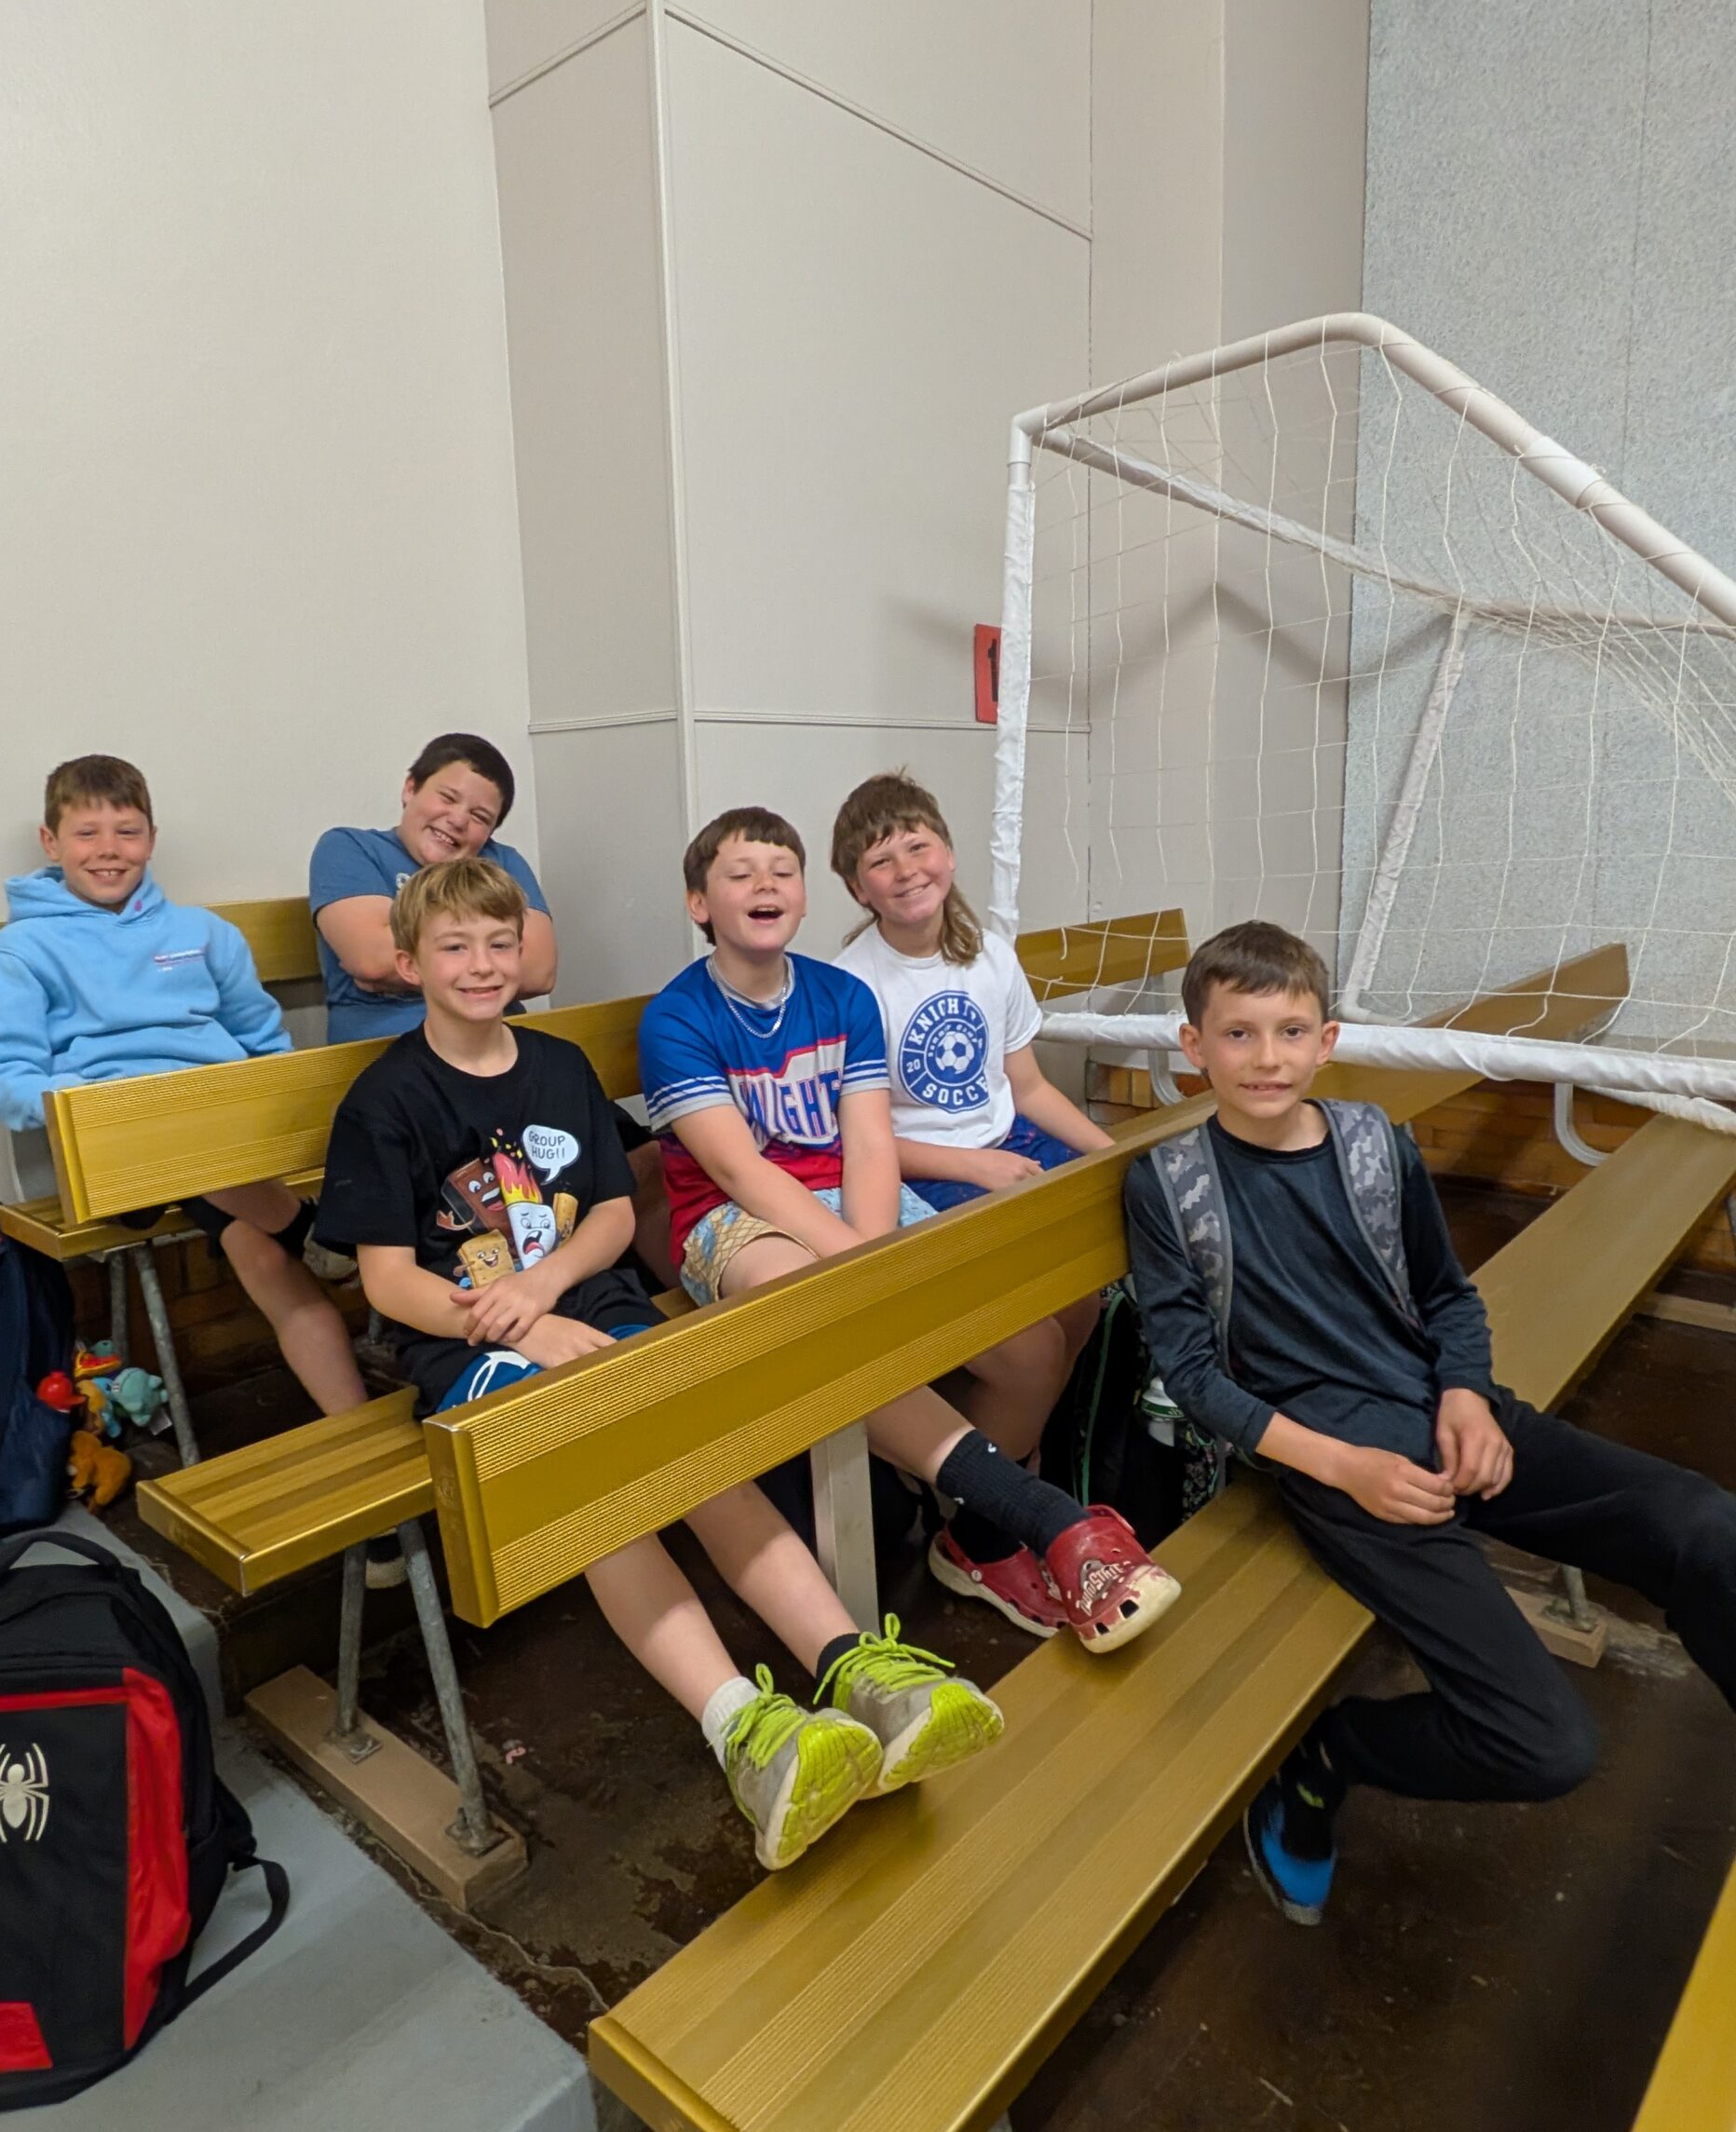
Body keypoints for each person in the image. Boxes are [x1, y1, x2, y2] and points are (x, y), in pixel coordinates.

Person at [315, 855, 1005, 1869]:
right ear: (411, 964)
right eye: (455, 947)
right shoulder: (385, 1100)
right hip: (472, 1346)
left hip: (594, 1309)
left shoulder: (558, 1067)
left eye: (501, 943)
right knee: (606, 1473)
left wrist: (549, 1288)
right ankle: (745, 1728)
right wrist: (519, 1326)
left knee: (698, 1451)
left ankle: (859, 1667)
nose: (482, 964)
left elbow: (605, 1214)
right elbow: (385, 1281)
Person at [1123, 918, 1736, 1926]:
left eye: (1290, 1031)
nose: (1267, 1058)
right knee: (1548, 1747)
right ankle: (1329, 1756)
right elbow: (1191, 1373)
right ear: (1194, 1046)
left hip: (1457, 1425)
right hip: (1350, 1474)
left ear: (1327, 1040)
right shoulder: (1168, 1183)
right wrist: (1341, 1467)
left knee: (1705, 1525)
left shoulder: (1374, 1142)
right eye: (1238, 1034)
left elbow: (1448, 1296)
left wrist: (1465, 1395)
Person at [636, 805, 1181, 1654]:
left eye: (782, 871)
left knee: (1033, 1348)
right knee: (812, 1301)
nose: (765, 885)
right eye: (741, 875)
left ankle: (972, 1534)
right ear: (700, 904)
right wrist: (861, 1263)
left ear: (807, 896)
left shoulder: (841, 997)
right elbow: (740, 1171)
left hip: (858, 1206)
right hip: (736, 1221)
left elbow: (867, 1142)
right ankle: (1041, 1520)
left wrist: (874, 1243)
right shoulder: (677, 1017)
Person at [0, 754, 366, 1420]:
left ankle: (353, 1423)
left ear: (151, 838)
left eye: (127, 832)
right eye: (87, 833)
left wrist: (266, 1107)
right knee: (216, 1168)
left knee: (262, 1256)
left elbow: (263, 1042)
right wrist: (91, 1105)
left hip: (224, 1143)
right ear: (51, 842)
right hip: (109, 1152)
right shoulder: (20, 952)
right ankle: (317, 1233)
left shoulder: (202, 934)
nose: (109, 850)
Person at [830, 770, 1112, 1635]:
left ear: (948, 853)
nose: (906, 870)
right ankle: (987, 1519)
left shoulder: (988, 950)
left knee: (1085, 1296)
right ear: (857, 888)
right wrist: (975, 1166)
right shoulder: (852, 983)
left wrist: (1109, 1154)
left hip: (1008, 1144)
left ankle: (1000, 1469)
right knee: (1031, 1338)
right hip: (924, 1171)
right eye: (881, 861)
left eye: (918, 846)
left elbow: (1028, 1087)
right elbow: (862, 1138)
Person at [309, 731, 671, 1284]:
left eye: (480, 816)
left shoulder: (502, 862)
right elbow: (371, 957)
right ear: (410, 788)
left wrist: (437, 959)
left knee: (649, 1157)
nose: (458, 821)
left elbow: (540, 971)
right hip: (412, 1083)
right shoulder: (352, 849)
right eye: (447, 797)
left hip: (515, 1073)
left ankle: (647, 1298)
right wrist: (451, 965)